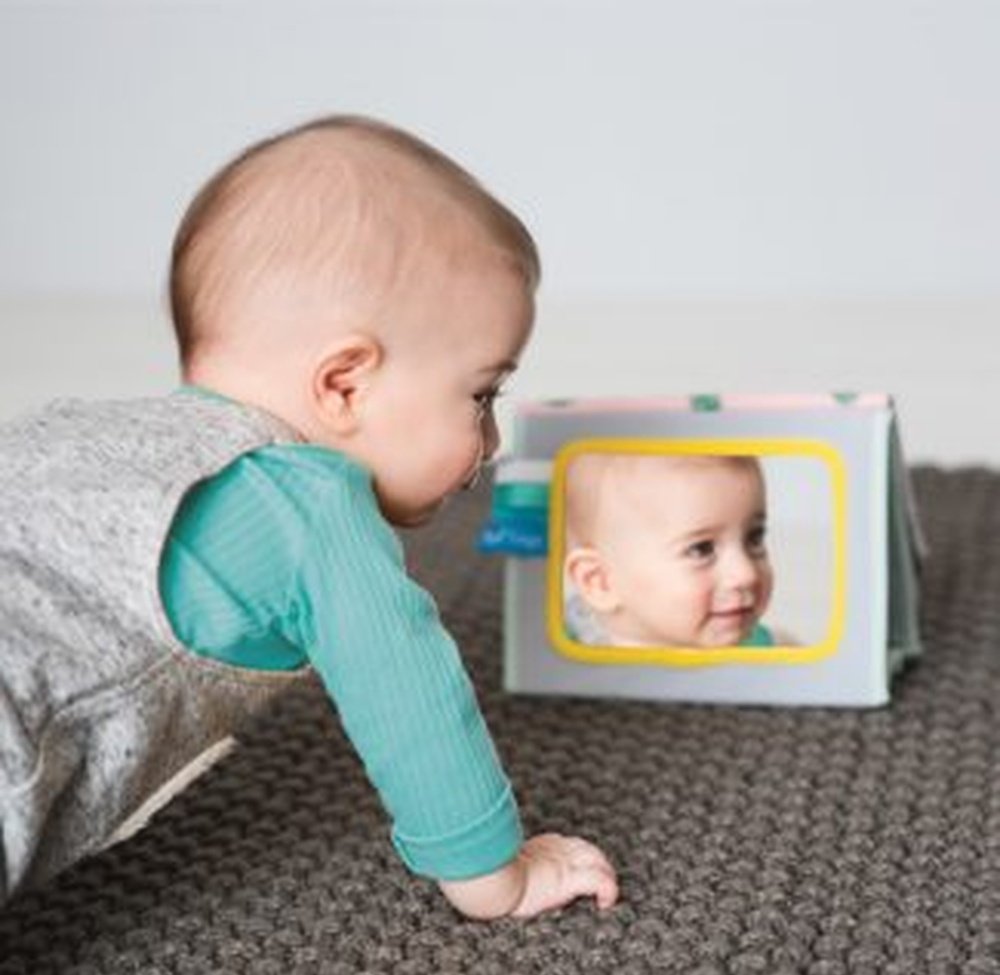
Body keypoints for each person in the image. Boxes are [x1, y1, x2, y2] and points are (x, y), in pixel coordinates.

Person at [0, 115, 618, 919]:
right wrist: (499, 877)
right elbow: (411, 697)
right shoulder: (312, 501)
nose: (490, 440)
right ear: (345, 385)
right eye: (481, 395)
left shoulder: (89, 430)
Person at [563, 452, 785, 649]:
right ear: (601, 581)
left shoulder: (766, 650)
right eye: (701, 549)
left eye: (754, 538)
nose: (746, 574)